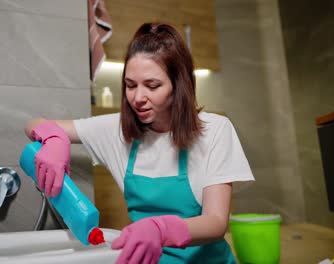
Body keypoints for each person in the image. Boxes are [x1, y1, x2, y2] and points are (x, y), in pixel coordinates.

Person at [25, 22, 254, 264]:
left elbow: (216, 222)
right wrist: (52, 138)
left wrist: (160, 229)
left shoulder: (215, 130)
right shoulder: (117, 130)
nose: (138, 98)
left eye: (152, 86)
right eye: (130, 85)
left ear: (179, 85)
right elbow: (34, 123)